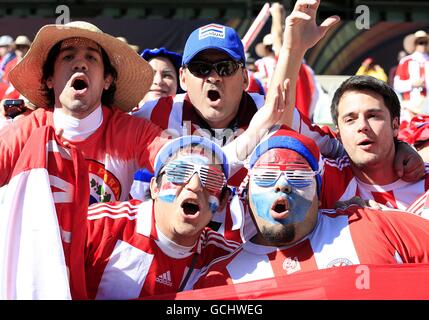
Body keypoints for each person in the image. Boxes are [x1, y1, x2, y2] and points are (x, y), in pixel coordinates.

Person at [0, 20, 285, 204]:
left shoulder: (133, 131)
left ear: (108, 79)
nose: (80, 65)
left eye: (91, 58)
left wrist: (259, 126)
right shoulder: (27, 130)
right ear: (50, 78)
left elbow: (197, 168)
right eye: (68, 57)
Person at [191, 127, 429, 289]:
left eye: (297, 176)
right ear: (247, 192)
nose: (282, 186)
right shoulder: (221, 279)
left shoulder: (372, 225)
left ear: (317, 193)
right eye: (266, 177)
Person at [269, 0, 428, 210]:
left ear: (395, 124)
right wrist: (292, 49)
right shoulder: (326, 177)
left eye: (374, 115)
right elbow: (278, 124)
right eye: (350, 119)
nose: (362, 126)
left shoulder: (423, 178)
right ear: (338, 133)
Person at [85, 135, 240, 299]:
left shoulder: (226, 258)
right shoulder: (99, 225)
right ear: (154, 188)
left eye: (211, 179)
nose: (194, 186)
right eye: (180, 172)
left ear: (223, 201)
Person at [394, 30, 429, 109]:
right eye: (420, 43)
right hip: (412, 106)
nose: (423, 45)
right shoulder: (406, 61)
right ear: (415, 44)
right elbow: (397, 85)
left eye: (425, 42)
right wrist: (412, 84)